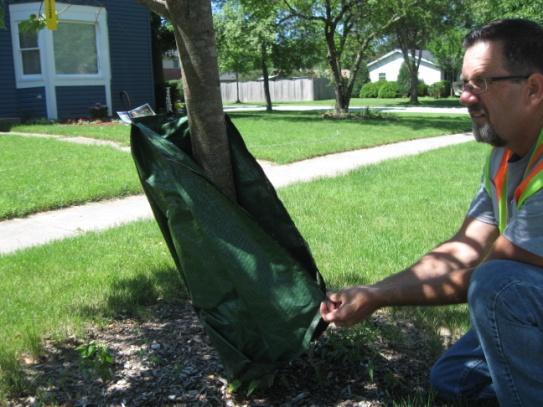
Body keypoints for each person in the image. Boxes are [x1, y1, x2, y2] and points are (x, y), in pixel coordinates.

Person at [320, 18, 543, 405]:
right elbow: (462, 248)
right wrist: (372, 290)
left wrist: (381, 298)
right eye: (465, 84)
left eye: (482, 83)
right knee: (453, 378)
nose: (465, 97)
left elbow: (490, 278)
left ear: (534, 88)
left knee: (497, 286)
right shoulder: (503, 156)